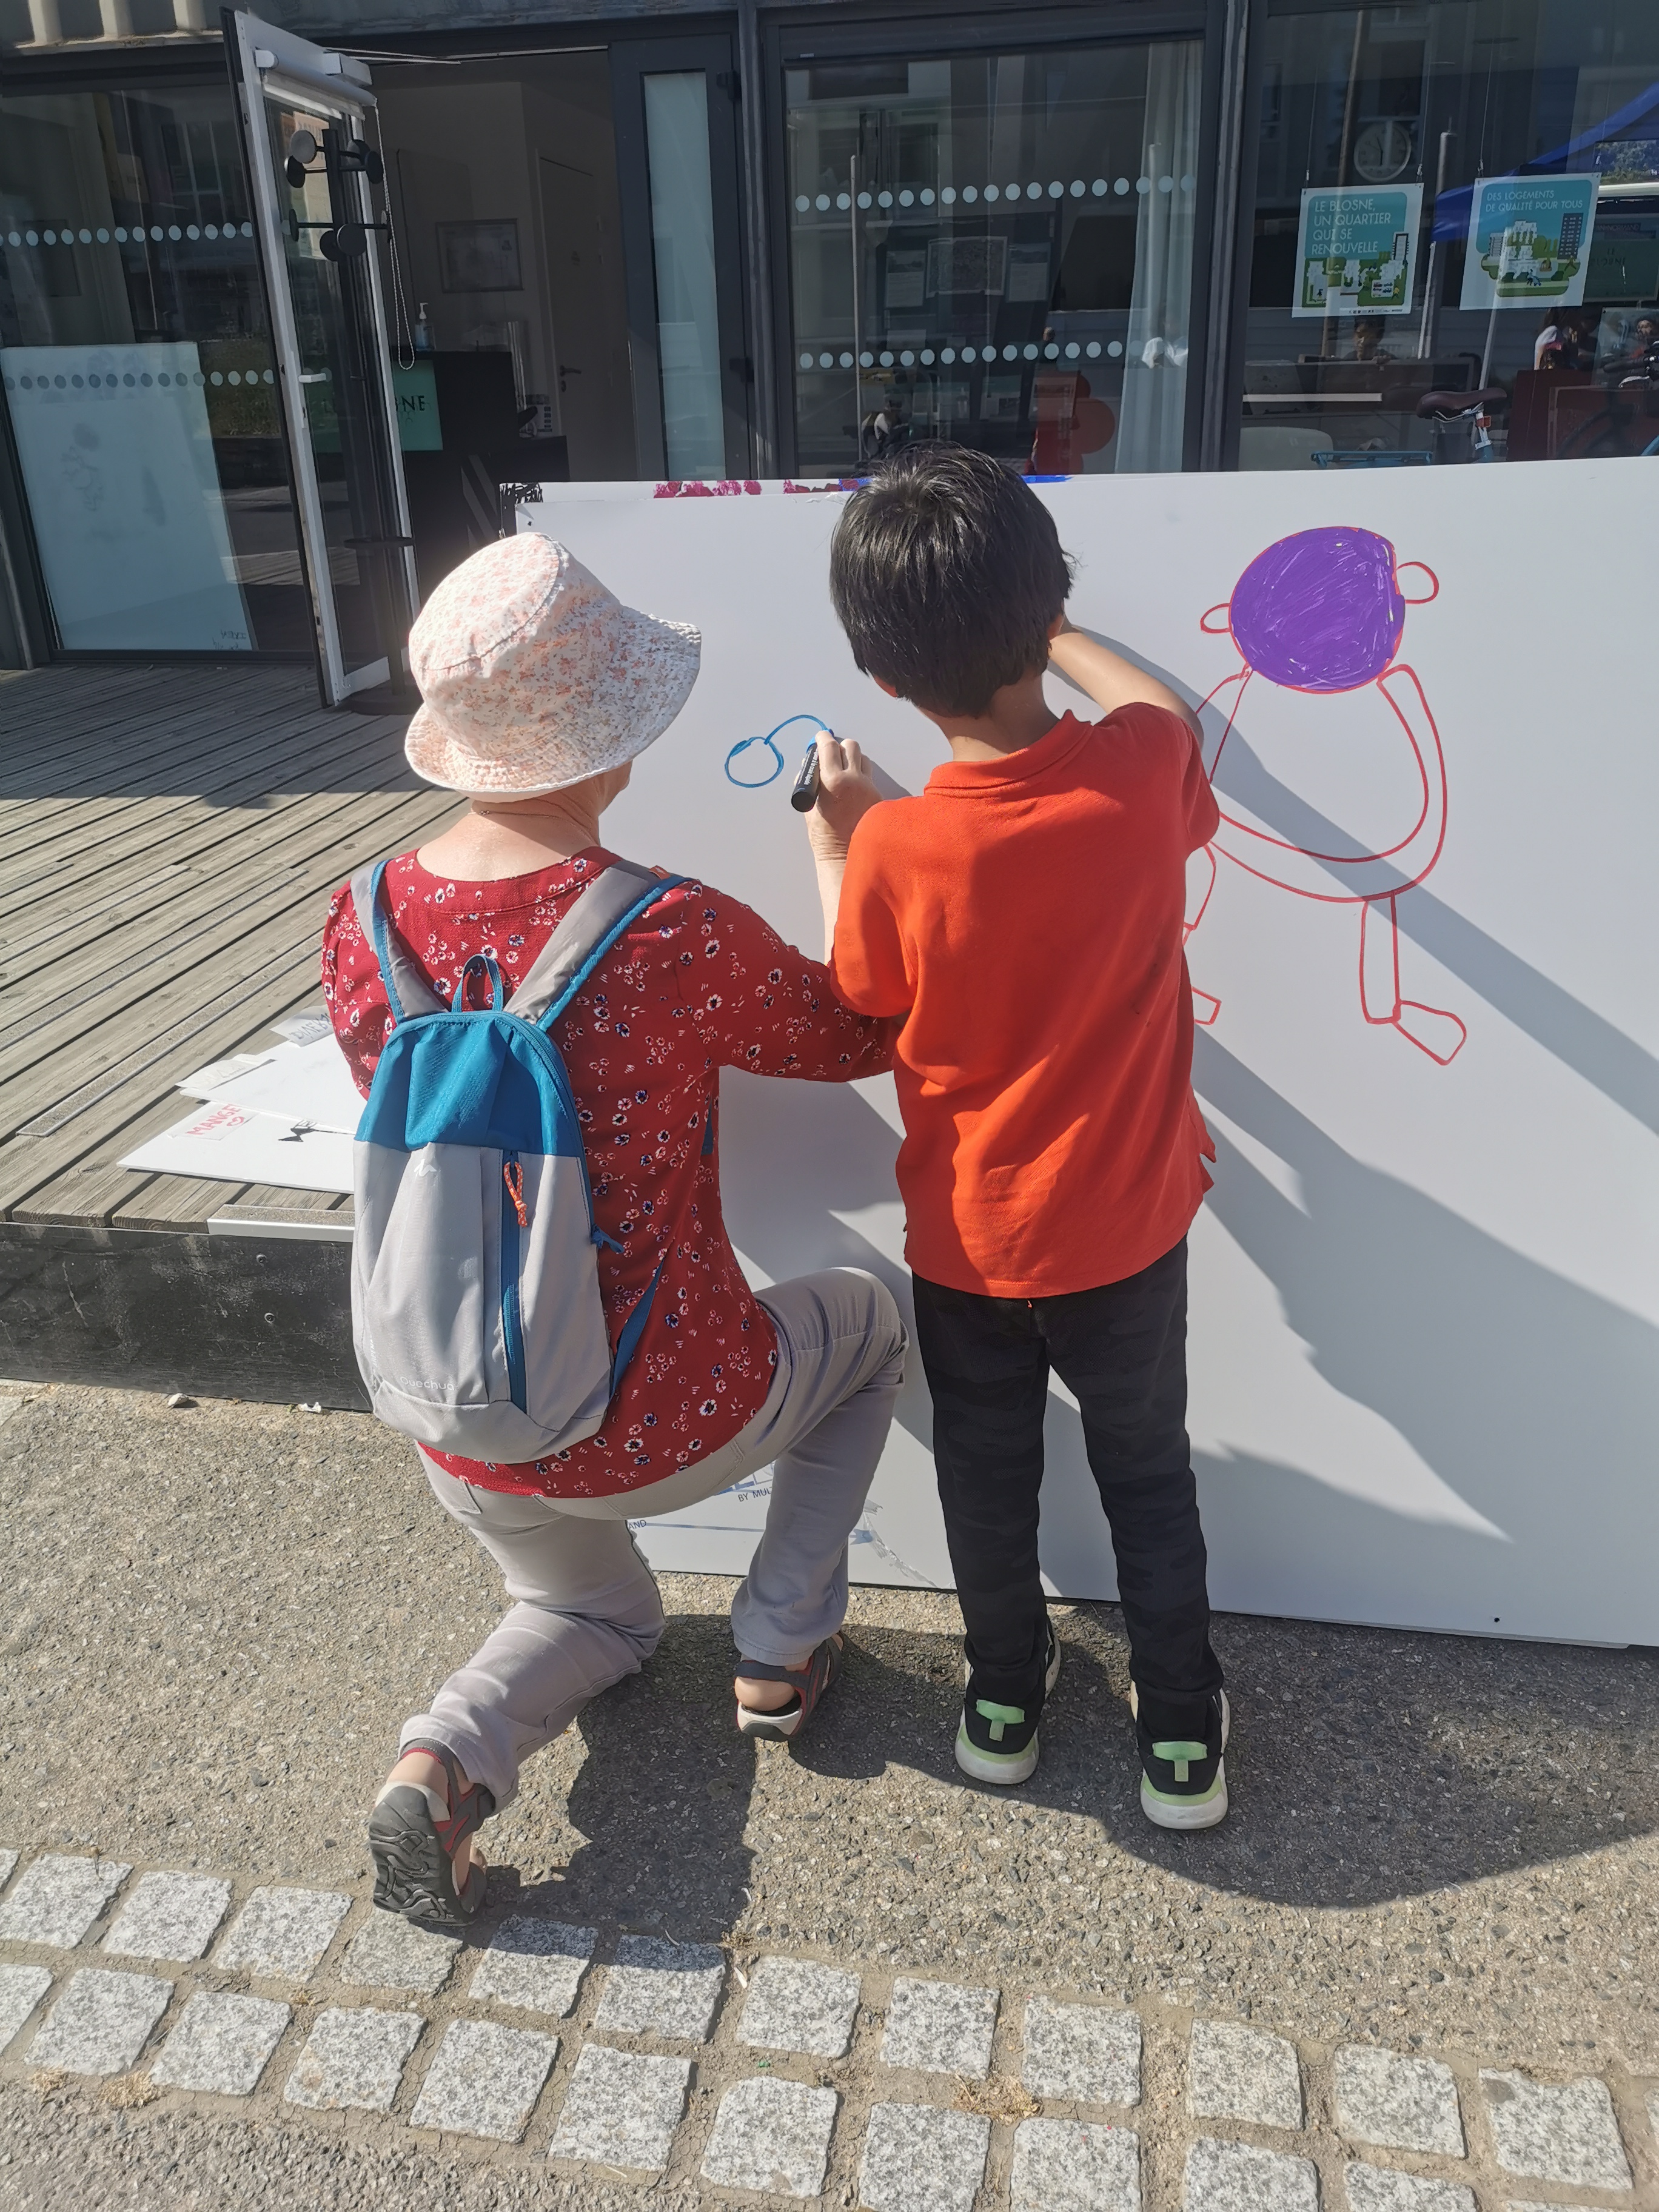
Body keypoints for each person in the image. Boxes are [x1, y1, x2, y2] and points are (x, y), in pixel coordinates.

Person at [322, 532, 905, 1926]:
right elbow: (858, 1030)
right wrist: (845, 843)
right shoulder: (668, 932)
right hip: (668, 1414)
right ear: (610, 740)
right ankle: (779, 1647)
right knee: (871, 1326)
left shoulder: (360, 920)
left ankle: (442, 1756)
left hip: (466, 1420)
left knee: (594, 1615)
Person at [808, 444, 1230, 1829]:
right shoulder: (1144, 774)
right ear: (1049, 602)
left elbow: (862, 994)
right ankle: (1181, 1734)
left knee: (987, 1485)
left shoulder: (897, 848)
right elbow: (1161, 708)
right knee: (1148, 1473)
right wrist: (1058, 629)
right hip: (1129, 1241)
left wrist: (837, 843)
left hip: (969, 1251)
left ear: (884, 681)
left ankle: (1002, 1703)